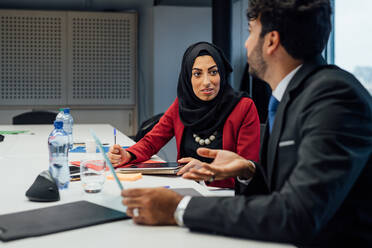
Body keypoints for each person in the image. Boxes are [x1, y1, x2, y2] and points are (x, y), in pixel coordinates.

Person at [120, 0, 372, 246]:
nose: (246, 43)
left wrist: (179, 207)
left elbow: (297, 214)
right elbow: (285, 188)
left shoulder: (334, 97)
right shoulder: (291, 95)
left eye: (251, 32)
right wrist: (248, 170)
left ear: (271, 41)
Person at [108, 41, 260, 188]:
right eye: (197, 74)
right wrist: (128, 155)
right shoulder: (182, 106)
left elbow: (248, 171)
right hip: (189, 189)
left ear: (222, 74)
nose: (207, 81)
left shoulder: (243, 108)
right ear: (188, 78)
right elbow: (151, 142)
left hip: (227, 197)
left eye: (213, 72)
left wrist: (208, 173)